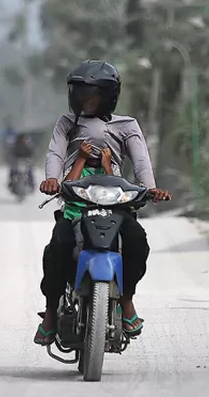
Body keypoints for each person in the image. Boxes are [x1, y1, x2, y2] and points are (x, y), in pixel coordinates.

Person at [34, 59, 171, 346]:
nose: (86, 99)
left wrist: (150, 189)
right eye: (80, 93)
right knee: (57, 246)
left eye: (93, 93)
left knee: (136, 241)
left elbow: (141, 160)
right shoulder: (67, 123)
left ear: (109, 95)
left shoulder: (127, 124)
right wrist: (51, 179)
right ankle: (50, 312)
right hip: (76, 200)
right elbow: (55, 154)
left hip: (115, 200)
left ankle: (127, 299)